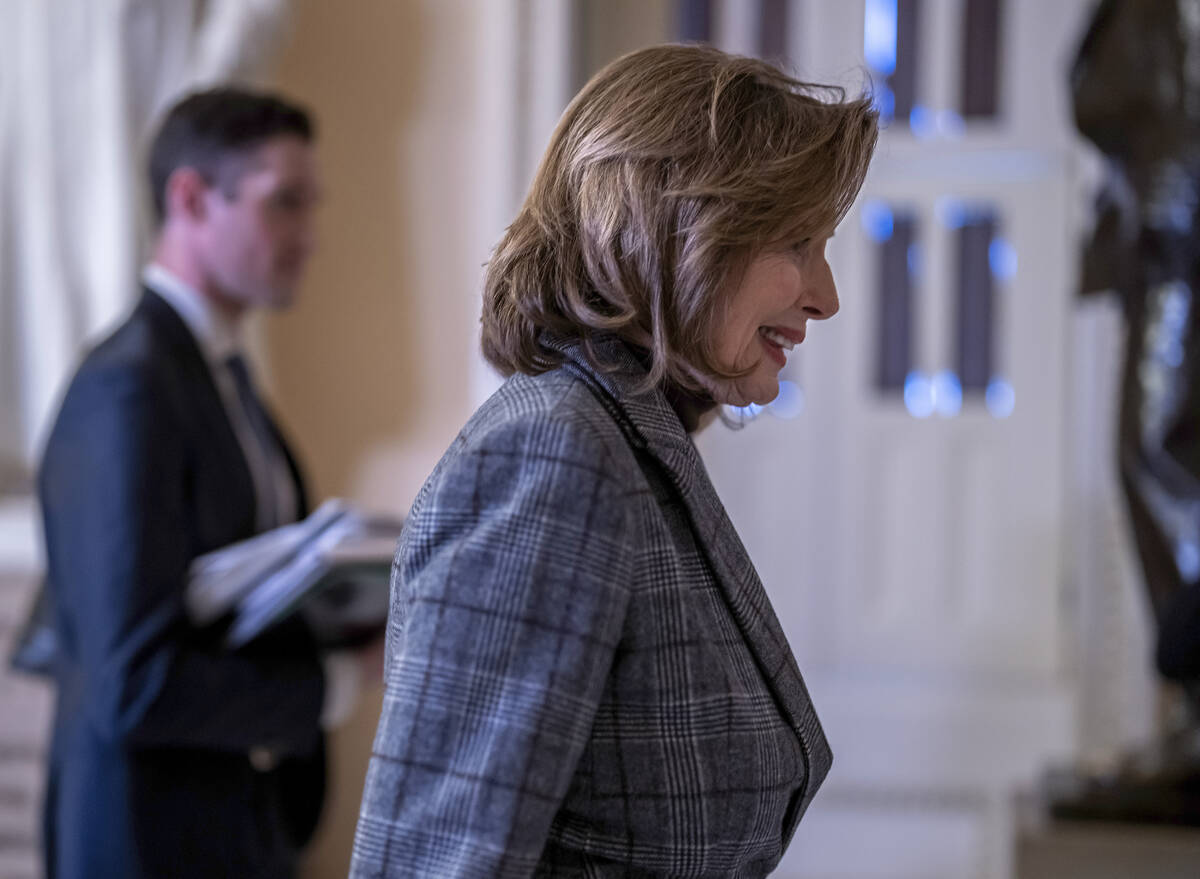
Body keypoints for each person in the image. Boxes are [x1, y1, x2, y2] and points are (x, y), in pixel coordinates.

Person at [350, 44, 877, 877]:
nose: (826, 295)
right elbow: (437, 863)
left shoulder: (626, 438)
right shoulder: (554, 453)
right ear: (677, 229)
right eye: (798, 242)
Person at [38, 86, 362, 879]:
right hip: (141, 840)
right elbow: (131, 682)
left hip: (236, 828)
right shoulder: (128, 387)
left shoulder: (224, 379)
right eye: (284, 203)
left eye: (310, 206)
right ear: (189, 198)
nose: (308, 237)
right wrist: (333, 685)